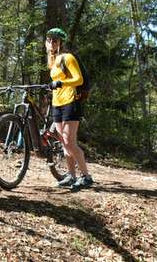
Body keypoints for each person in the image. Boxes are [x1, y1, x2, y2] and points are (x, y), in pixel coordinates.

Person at [45, 27, 94, 191]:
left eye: (55, 40)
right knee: (63, 143)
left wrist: (61, 83)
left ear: (61, 42)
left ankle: (86, 177)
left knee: (70, 142)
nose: (52, 43)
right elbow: (58, 80)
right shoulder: (53, 62)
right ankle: (71, 176)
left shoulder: (68, 57)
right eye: (49, 40)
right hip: (57, 103)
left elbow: (78, 79)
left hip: (71, 102)